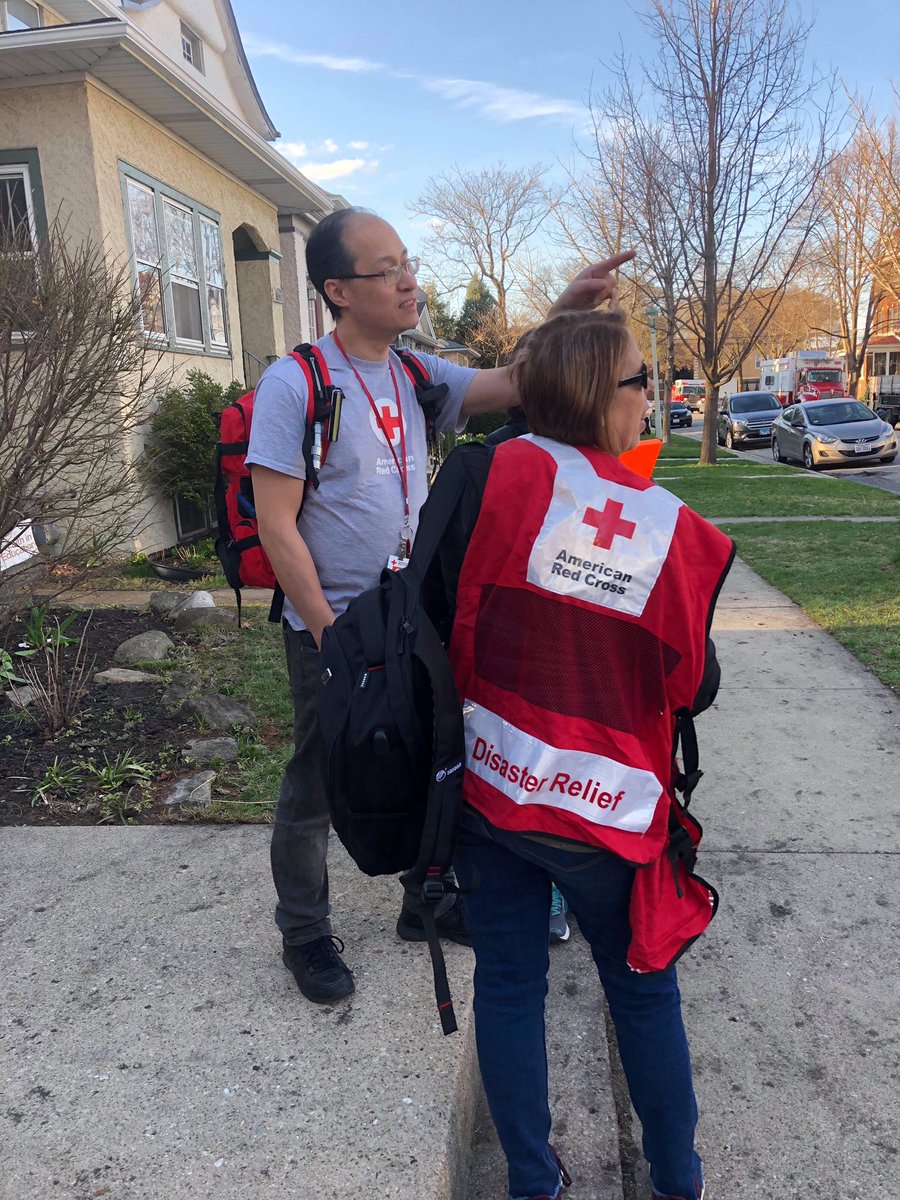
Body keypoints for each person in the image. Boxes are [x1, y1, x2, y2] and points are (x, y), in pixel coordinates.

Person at [245, 205, 633, 1006]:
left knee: (429, 762)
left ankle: (421, 904)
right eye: (386, 269)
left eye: (406, 261)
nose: (409, 279)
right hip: (339, 627)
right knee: (320, 778)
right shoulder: (297, 384)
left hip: (413, 617)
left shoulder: (416, 373)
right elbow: (277, 526)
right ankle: (305, 932)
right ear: (339, 291)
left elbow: (516, 382)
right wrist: (330, 638)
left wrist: (564, 307)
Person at [436, 309, 734, 1200]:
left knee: (511, 987)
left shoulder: (482, 474)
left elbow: (430, 610)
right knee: (642, 991)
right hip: (610, 811)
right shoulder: (667, 527)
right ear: (601, 393)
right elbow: (696, 686)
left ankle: (535, 1182)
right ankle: (676, 1181)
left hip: (490, 788)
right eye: (643, 381)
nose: (653, 398)